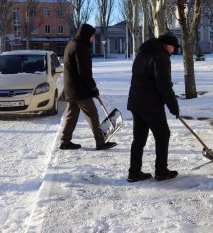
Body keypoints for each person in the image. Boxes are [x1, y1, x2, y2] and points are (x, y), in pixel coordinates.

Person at [126, 33, 180, 182]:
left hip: (136, 102)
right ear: (166, 44)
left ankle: (134, 172)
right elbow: (164, 85)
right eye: (173, 47)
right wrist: (173, 106)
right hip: (151, 104)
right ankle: (161, 171)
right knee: (163, 135)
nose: (173, 51)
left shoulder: (141, 54)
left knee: (139, 139)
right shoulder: (160, 57)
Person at [60, 23, 117, 150]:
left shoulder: (71, 44)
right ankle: (100, 142)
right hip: (80, 89)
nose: (93, 38)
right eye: (92, 36)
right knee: (92, 114)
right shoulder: (81, 47)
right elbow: (84, 71)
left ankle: (65, 141)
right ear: (86, 35)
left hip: (71, 87)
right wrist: (92, 87)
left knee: (71, 115)